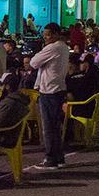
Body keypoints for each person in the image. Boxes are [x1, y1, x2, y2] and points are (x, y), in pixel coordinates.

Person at [30, 22, 70, 170]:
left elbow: (33, 63)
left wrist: (42, 52)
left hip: (49, 90)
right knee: (55, 126)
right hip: (58, 88)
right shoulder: (64, 47)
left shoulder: (53, 47)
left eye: (48, 35)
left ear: (56, 34)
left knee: (49, 127)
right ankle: (59, 157)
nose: (46, 38)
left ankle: (50, 158)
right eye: (45, 35)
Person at [0, 73, 31, 144]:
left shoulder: (8, 103)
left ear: (7, 87)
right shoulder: (21, 100)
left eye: (1, 86)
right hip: (13, 135)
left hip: (4, 137)